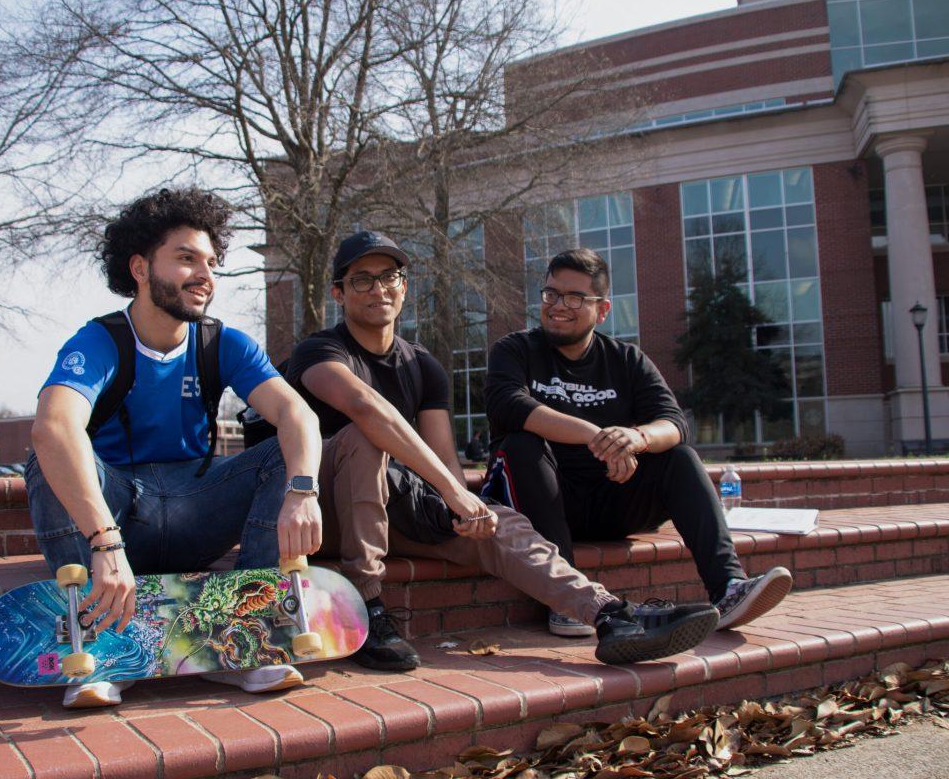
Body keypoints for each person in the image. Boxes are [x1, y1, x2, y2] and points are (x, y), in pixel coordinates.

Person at [286, 231, 719, 672]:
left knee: (499, 523)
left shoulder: (423, 366)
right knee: (365, 438)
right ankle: (369, 607)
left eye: (390, 277)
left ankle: (610, 616)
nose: (379, 289)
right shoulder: (319, 351)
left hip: (391, 507)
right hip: (321, 515)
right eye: (362, 280)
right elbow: (366, 408)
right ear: (339, 293)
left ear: (404, 286)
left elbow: (445, 462)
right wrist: (454, 494)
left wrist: (464, 505)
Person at [27, 187, 323, 709]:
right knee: (47, 456)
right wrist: (104, 540)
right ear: (140, 269)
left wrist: (303, 491)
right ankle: (99, 646)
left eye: (211, 262)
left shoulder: (222, 342)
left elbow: (296, 413)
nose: (204, 274)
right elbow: (54, 427)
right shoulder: (100, 342)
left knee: (287, 452)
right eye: (186, 259)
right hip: (120, 517)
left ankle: (248, 636)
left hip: (196, 509)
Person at [483, 248, 792, 637]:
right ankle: (566, 597)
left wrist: (636, 438)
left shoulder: (627, 360)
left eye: (575, 297)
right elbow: (508, 405)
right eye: (551, 294)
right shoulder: (515, 350)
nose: (558, 306)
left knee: (678, 456)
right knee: (519, 445)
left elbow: (675, 423)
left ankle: (728, 587)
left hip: (614, 499)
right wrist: (596, 435)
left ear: (603, 309)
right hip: (536, 502)